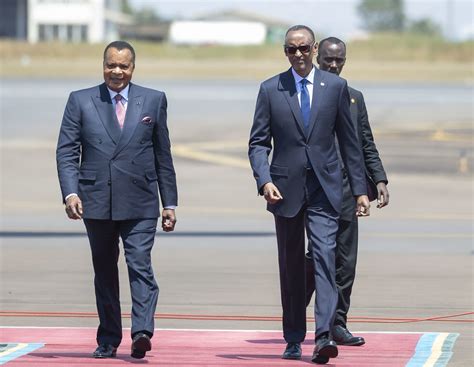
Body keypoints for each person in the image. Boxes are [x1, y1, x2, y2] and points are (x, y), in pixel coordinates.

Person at [248, 25, 370, 365]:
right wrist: (264, 179)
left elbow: (350, 143)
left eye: (303, 48)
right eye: (291, 49)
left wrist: (360, 190)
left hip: (326, 189)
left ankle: (323, 336)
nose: (298, 55)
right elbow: (258, 142)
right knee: (290, 267)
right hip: (284, 192)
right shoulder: (271, 88)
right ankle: (292, 337)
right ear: (284, 51)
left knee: (324, 259)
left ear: (314, 49)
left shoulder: (336, 87)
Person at [56, 41, 178, 360]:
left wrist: (170, 203)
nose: (117, 71)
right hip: (96, 201)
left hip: (141, 201)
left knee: (140, 265)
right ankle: (108, 337)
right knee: (105, 271)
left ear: (133, 68)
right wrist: (71, 193)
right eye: (111, 65)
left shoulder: (153, 99)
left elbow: (163, 155)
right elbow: (67, 151)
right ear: (103, 65)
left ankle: (141, 332)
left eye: (123, 66)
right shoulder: (80, 100)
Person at [304, 37, 390, 347]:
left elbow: (365, 142)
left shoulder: (354, 98)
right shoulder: (307, 96)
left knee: (345, 261)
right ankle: (297, 312)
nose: (333, 65)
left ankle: (337, 324)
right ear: (317, 57)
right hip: (313, 190)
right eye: (328, 59)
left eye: (339, 59)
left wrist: (378, 179)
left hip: (345, 190)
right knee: (317, 257)